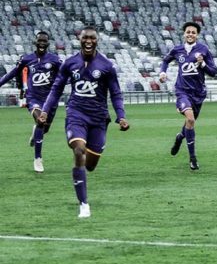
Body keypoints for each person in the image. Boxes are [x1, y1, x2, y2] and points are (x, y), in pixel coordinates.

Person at [38, 27, 129, 218]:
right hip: (76, 115)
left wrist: (121, 116)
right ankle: (84, 204)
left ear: (97, 41)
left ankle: (82, 174)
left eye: (92, 38)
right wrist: (45, 111)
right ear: (79, 40)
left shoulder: (106, 66)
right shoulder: (70, 63)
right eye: (85, 38)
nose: (88, 41)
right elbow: (55, 89)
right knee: (79, 151)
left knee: (90, 165)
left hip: (98, 118)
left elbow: (116, 93)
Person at [159, 21, 217, 170]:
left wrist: (203, 64)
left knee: (189, 124)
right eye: (188, 32)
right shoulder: (177, 50)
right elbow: (165, 61)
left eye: (193, 32)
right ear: (184, 34)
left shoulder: (203, 50)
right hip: (182, 91)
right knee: (190, 119)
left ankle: (180, 137)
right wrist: (162, 72)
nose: (190, 34)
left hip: (198, 93)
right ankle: (192, 158)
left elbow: (214, 71)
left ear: (197, 35)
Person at [0, 31, 61, 173]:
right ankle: (38, 159)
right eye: (39, 40)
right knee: (40, 120)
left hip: (50, 99)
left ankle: (36, 133)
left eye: (44, 41)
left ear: (48, 43)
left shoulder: (55, 60)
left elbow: (64, 76)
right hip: (33, 97)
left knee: (44, 128)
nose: (41, 43)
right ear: (35, 42)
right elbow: (13, 73)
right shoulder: (27, 59)